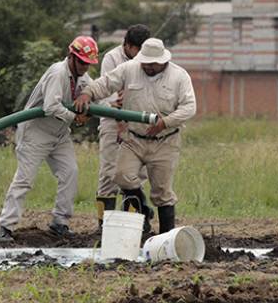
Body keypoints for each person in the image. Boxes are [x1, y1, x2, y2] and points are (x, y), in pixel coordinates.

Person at [75, 38, 196, 234]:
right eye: (145, 63)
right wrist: (87, 94)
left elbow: (190, 107)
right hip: (134, 139)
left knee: (162, 192)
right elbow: (105, 84)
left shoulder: (179, 77)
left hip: (165, 141)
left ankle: (165, 238)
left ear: (163, 61)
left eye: (152, 64)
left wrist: (165, 122)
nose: (148, 67)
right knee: (121, 176)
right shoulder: (129, 69)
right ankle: (142, 216)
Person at [0, 36, 98, 243]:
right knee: (25, 179)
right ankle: (5, 227)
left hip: (59, 134)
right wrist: (75, 117)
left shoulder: (84, 79)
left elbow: (98, 93)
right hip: (36, 132)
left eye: (88, 64)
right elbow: (51, 106)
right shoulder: (58, 73)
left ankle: (60, 222)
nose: (85, 67)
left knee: (70, 172)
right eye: (82, 62)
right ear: (72, 57)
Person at [95, 24, 151, 231]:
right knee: (109, 173)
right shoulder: (112, 58)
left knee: (134, 174)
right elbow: (111, 97)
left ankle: (133, 223)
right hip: (112, 120)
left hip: (137, 121)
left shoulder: (148, 59)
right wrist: (119, 122)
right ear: (127, 45)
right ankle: (104, 224)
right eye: (137, 50)